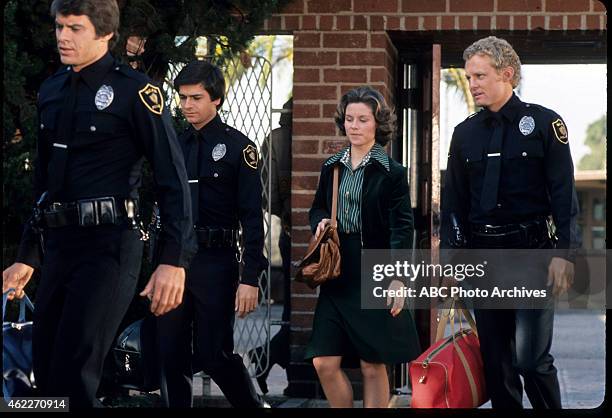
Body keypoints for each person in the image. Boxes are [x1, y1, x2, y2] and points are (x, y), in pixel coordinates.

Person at [2, 0, 196, 408]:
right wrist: (28, 255)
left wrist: (172, 259)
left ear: (105, 34)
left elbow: (172, 181)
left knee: (75, 372)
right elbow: (46, 184)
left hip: (109, 248)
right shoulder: (53, 90)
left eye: (75, 28)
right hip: (60, 248)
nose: (62, 37)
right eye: (59, 27)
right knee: (45, 371)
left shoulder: (136, 93)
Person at [441, 36, 579, 409]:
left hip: (532, 254)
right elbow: (453, 201)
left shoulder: (545, 124)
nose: (473, 85)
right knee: (497, 363)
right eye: (469, 77)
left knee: (530, 360)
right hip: (484, 257)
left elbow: (564, 195)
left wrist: (564, 253)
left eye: (480, 76)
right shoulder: (464, 134)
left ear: (508, 74)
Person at [156, 60, 269, 408]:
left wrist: (251, 276)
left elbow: (253, 218)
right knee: (170, 353)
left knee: (213, 353)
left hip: (215, 261)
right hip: (174, 260)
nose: (187, 105)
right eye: (183, 98)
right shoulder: (170, 142)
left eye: (196, 98)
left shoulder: (240, 149)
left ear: (216, 99)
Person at [305, 86, 421, 408]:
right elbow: (316, 207)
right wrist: (319, 221)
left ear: (377, 124)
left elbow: (403, 227)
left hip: (376, 268)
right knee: (323, 362)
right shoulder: (332, 166)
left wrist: (398, 278)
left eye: (363, 120)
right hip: (338, 270)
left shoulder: (392, 172)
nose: (354, 126)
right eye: (349, 119)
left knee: (373, 363)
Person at [250, 98, 292, 395]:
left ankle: (268, 355)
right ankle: (276, 357)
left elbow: (268, 196)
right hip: (312, 232)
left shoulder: (275, 138)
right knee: (305, 309)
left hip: (291, 231)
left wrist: (290, 210)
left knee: (294, 307)